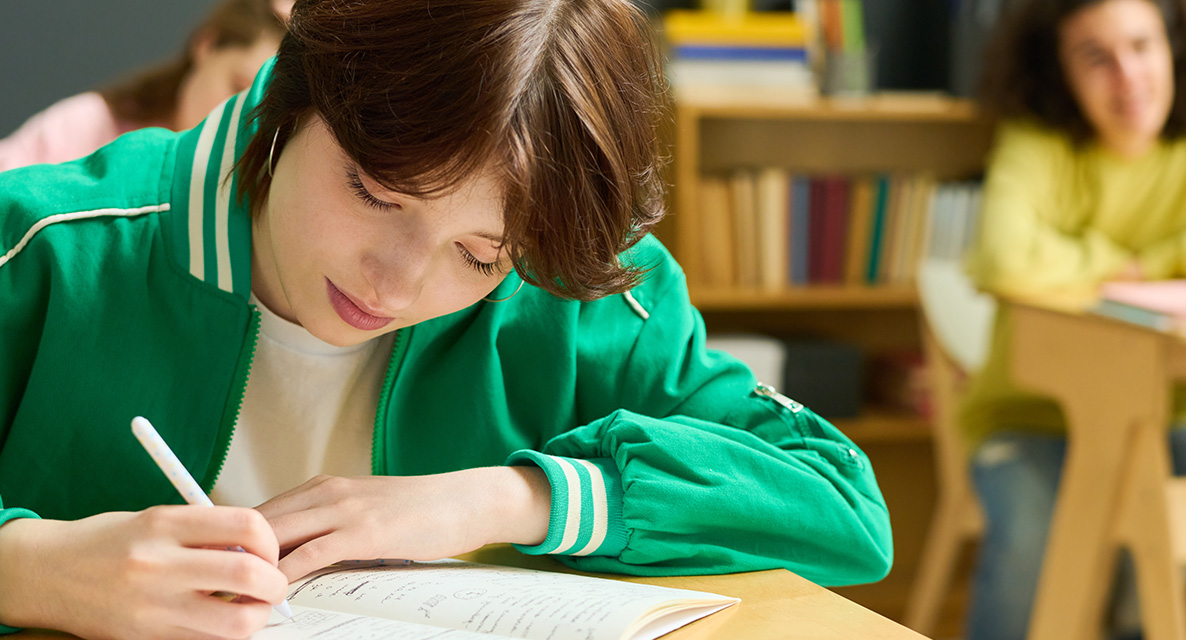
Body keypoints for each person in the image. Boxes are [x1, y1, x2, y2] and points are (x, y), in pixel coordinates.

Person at [0, 0, 893, 638]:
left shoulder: (569, 283)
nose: (395, 284)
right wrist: (31, 569)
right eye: (375, 193)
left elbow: (841, 504)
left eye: (478, 255)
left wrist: (509, 497)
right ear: (294, 95)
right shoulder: (51, 245)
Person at [962, 0, 1186, 638]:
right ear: (1058, 71)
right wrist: (1146, 264)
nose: (1128, 76)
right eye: (1096, 57)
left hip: (1161, 422)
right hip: (1024, 422)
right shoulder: (1039, 142)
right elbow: (1003, 258)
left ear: (1175, 48)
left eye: (1143, 46)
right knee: (1031, 545)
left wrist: (1158, 260)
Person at [0, 0, 284, 172]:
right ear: (209, 44)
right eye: (237, 88)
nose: (236, 120)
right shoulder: (90, 126)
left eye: (259, 112)